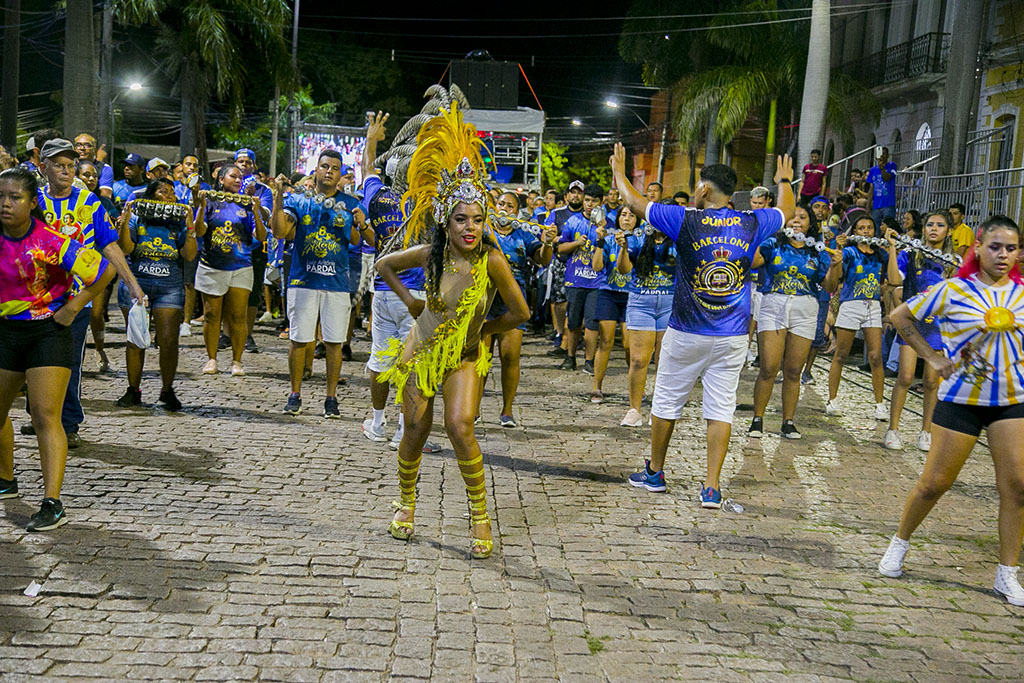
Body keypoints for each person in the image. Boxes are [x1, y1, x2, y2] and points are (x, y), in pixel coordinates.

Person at [375, 102, 529, 559]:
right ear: (446, 219)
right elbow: (384, 264)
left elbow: (520, 313)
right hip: (420, 350)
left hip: (463, 356)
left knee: (461, 426)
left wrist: (484, 332)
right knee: (415, 432)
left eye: (478, 220)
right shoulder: (431, 253)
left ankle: (479, 516)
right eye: (462, 219)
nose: (470, 228)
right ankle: (406, 503)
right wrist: (411, 302)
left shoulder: (492, 260)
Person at [610, 141, 795, 505]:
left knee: (666, 403)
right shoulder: (753, 221)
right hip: (732, 336)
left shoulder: (685, 220)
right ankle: (711, 487)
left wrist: (619, 171)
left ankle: (655, 473)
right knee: (720, 409)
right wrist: (785, 181)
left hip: (686, 330)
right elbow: (786, 210)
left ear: (704, 189)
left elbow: (634, 203)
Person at [879, 215, 1024, 607]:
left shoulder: (1023, 295)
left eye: (1011, 248)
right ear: (978, 248)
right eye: (995, 246)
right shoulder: (955, 290)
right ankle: (899, 543)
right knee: (934, 484)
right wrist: (931, 357)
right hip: (962, 400)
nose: (1003, 255)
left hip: (1012, 402)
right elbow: (899, 317)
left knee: (1017, 487)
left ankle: (1007, 574)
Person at [0, 167, 114, 530]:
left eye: (15, 197)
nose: (5, 204)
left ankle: (53, 503)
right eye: (1, 196)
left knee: (44, 415)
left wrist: (72, 307)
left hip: (48, 332)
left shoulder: (51, 241)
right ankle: (5, 481)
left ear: (33, 203)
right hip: (6, 332)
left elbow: (103, 271)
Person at [33, 139, 143, 448]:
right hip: (34, 298)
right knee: (34, 360)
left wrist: (131, 282)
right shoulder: (32, 200)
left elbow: (109, 245)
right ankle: (41, 415)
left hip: (77, 297)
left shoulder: (90, 203)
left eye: (70, 165)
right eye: (59, 165)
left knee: (69, 361)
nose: (66, 171)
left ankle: (67, 423)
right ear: (43, 169)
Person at [358, 111, 442, 453]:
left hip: (384, 290)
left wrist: (371, 138)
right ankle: (402, 433)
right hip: (417, 295)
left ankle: (377, 423)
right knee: (413, 364)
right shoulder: (428, 204)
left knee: (380, 359)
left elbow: (366, 170)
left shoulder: (377, 198)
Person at [269, 150, 366, 417]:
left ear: (340, 174)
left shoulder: (350, 203)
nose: (329, 172)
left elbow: (360, 240)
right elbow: (279, 231)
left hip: (336, 282)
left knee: (335, 343)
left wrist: (361, 223)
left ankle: (331, 398)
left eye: (335, 168)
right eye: (325, 166)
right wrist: (278, 196)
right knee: (300, 339)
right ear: (316, 169)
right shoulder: (299, 200)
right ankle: (294, 394)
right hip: (303, 280)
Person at [748, 204, 842, 439]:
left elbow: (828, 287)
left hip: (805, 309)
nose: (796, 221)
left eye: (802, 217)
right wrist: (760, 235)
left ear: (810, 223)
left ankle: (788, 422)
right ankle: (757, 419)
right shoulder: (773, 243)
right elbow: (753, 262)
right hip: (773, 305)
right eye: (792, 217)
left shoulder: (818, 251)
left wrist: (835, 265)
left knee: (793, 370)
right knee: (769, 367)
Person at [114, 178, 200, 411]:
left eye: (172, 192)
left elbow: (189, 255)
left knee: (169, 340)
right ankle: (133, 390)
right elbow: (126, 248)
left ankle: (167, 390)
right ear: (151, 196)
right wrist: (125, 222)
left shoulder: (177, 221)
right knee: (135, 339)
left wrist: (190, 226)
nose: (170, 196)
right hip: (138, 281)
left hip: (169, 285)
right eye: (163, 192)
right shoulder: (138, 216)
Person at [883, 210, 957, 451]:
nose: (934, 229)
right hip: (912, 327)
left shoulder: (952, 261)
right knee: (904, 376)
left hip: (938, 328)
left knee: (930, 382)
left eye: (940, 225)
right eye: (930, 225)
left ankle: (926, 432)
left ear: (948, 231)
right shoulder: (911, 254)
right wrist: (893, 249)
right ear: (923, 228)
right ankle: (893, 429)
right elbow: (894, 280)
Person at [479, 191, 554, 425]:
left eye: (510, 205)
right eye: (500, 203)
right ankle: (472, 408)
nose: (504, 208)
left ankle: (507, 411)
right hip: (484, 295)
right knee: (481, 355)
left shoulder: (524, 233)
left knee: (510, 356)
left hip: (513, 298)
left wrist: (548, 242)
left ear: (517, 210)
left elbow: (542, 259)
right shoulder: (484, 230)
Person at [824, 212, 901, 419]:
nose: (866, 231)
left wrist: (891, 248)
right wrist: (838, 248)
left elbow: (893, 280)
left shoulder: (880, 254)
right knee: (841, 354)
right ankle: (832, 399)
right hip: (851, 304)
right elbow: (838, 276)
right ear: (855, 231)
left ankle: (879, 404)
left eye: (869, 228)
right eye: (861, 228)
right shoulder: (849, 252)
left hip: (873, 306)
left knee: (875, 356)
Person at [194, 164, 266, 376]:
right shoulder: (210, 201)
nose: (238, 180)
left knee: (237, 316)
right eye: (233, 176)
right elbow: (199, 231)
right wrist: (200, 206)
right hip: (211, 265)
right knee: (211, 315)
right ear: (221, 180)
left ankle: (237, 360)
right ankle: (212, 358)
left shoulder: (246, 204)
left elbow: (261, 236)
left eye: (240, 177)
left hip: (241, 266)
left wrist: (256, 211)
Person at [617, 207, 674, 427]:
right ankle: (634, 409)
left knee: (665, 361)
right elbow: (623, 270)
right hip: (641, 303)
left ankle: (659, 409)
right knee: (639, 360)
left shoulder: (679, 241)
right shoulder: (639, 239)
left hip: (669, 304)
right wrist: (622, 248)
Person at [556, 183, 605, 373]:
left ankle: (589, 361)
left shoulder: (607, 223)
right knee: (574, 321)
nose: (589, 204)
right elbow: (560, 248)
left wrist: (603, 236)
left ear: (601, 202)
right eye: (587, 200)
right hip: (574, 279)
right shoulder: (573, 222)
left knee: (592, 323)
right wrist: (576, 243)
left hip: (597, 282)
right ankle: (570, 357)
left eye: (594, 201)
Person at [76, 161, 119, 374]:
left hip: (97, 266)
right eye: (86, 175)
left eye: (94, 176)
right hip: (71, 268)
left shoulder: (103, 202)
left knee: (96, 313)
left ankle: (100, 349)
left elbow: (113, 235)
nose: (91, 179)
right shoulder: (68, 200)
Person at [589, 210, 633, 403]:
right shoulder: (607, 238)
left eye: (632, 216)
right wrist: (599, 242)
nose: (627, 218)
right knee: (605, 341)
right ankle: (597, 387)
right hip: (608, 292)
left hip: (632, 295)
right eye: (623, 215)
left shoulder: (640, 238)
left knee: (628, 345)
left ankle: (634, 388)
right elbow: (597, 267)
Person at [545, 181, 584, 362]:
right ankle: (560, 333)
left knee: (574, 303)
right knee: (559, 302)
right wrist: (559, 239)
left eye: (579, 193)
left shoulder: (588, 214)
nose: (575, 196)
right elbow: (547, 235)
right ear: (567, 196)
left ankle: (570, 339)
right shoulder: (556, 214)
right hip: (560, 262)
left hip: (582, 264)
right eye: (572, 192)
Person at [72, 134, 113, 200]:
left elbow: (105, 195)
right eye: (78, 145)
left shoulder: (104, 168)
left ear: (95, 149)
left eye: (87, 145)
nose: (82, 148)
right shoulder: (70, 166)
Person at [866, 147, 897, 227]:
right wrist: (868, 204)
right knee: (876, 228)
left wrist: (882, 169)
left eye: (884, 153)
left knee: (889, 227)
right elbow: (871, 188)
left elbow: (887, 178)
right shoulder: (872, 170)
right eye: (880, 154)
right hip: (876, 205)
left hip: (888, 204)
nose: (882, 156)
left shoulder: (892, 165)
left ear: (888, 155)